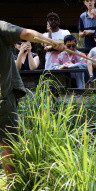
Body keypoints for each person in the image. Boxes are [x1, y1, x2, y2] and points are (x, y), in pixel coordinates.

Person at [0, 20, 65, 178]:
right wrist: (54, 43)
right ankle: (11, 184)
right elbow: (28, 34)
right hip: (3, 96)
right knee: (7, 140)